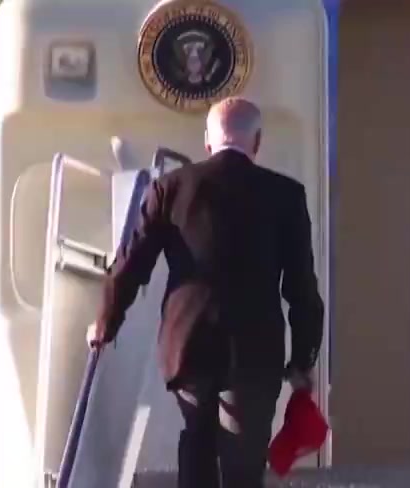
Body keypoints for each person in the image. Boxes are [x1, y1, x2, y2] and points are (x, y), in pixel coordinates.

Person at [86, 96, 324, 487]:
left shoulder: (169, 189)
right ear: (257, 141)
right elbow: (301, 288)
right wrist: (303, 359)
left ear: (208, 141)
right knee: (243, 459)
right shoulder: (286, 195)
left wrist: (105, 323)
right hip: (255, 350)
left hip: (188, 343)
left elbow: (130, 264)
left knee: (196, 435)